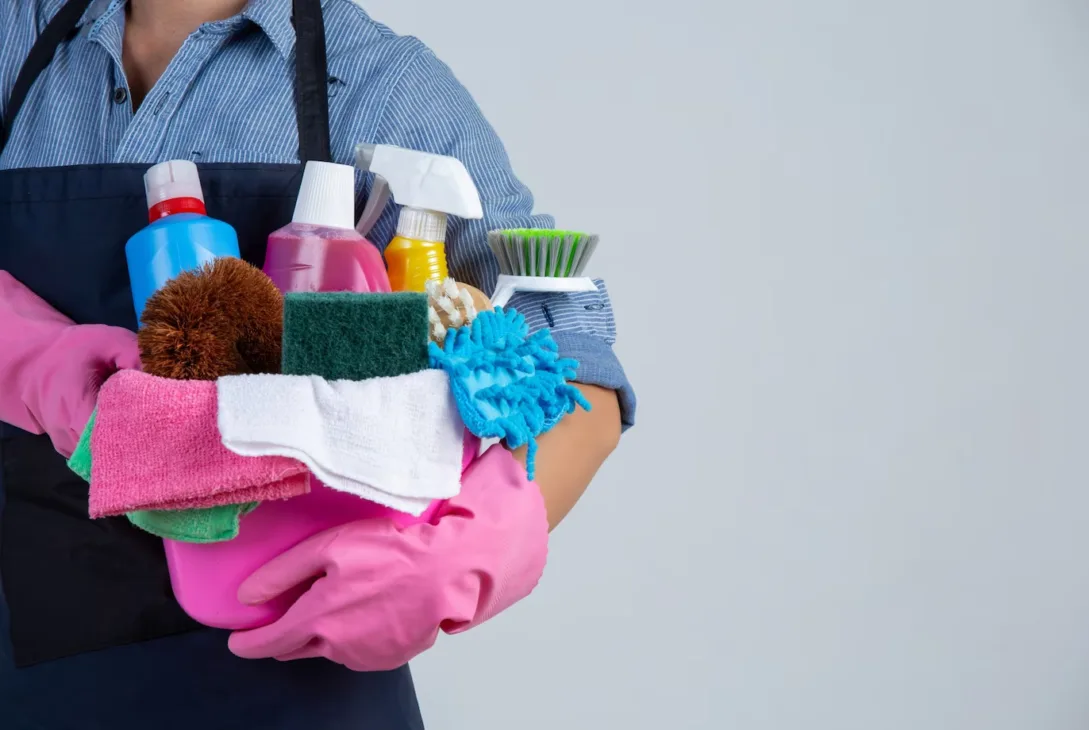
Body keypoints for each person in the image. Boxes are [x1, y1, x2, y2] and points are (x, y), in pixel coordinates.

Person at [0, 0, 636, 727]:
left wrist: (471, 547)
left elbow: (579, 374)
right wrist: (33, 357)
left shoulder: (382, 85)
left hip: (295, 670)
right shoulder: (14, 36)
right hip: (29, 658)